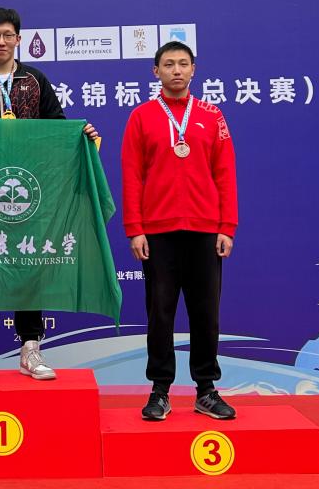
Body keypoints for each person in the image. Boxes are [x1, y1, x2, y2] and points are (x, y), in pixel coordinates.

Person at [0, 7, 98, 383]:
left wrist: (81, 136)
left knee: (28, 261)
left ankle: (30, 348)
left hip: (28, 190)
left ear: (18, 39)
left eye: (8, 35)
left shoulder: (34, 80)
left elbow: (57, 127)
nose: (1, 41)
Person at [120, 41, 238, 421]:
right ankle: (160, 390)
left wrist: (227, 226)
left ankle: (206, 390)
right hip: (158, 232)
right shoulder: (141, 117)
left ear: (193, 70)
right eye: (168, 64)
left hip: (205, 230)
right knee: (160, 314)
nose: (176, 70)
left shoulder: (212, 115)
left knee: (206, 313)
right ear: (156, 71)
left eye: (183, 64)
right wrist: (135, 228)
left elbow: (225, 173)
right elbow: (132, 176)